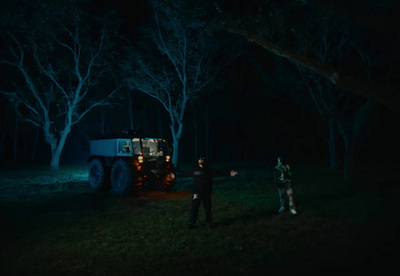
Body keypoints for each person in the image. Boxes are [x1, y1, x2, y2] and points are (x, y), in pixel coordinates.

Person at [172, 156, 238, 230]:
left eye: (202, 158)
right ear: (198, 160)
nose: (201, 160)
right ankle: (191, 223)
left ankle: (209, 223)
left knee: (207, 208)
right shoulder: (194, 169)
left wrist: (229, 174)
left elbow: (219, 173)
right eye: (199, 158)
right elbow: (185, 174)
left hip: (206, 193)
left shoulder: (209, 170)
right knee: (194, 208)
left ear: (204, 160)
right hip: (196, 193)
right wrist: (175, 175)